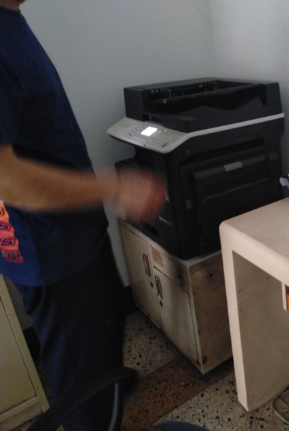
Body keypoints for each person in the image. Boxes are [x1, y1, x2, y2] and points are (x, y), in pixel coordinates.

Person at [0, 0, 165, 429]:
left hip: (72, 242)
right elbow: (7, 179)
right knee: (85, 395)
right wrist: (116, 188)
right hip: (53, 256)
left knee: (102, 360)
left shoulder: (10, 21)